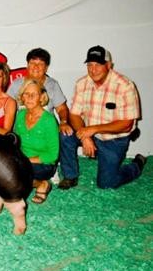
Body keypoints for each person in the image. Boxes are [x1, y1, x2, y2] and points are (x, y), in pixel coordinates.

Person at [58, 45, 146, 189]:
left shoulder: (125, 86)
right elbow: (74, 114)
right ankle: (70, 176)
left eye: (98, 64)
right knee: (65, 134)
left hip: (114, 139)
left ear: (109, 65)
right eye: (90, 65)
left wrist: (92, 130)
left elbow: (127, 124)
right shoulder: (81, 83)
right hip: (88, 132)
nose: (93, 69)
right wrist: (85, 136)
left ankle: (137, 164)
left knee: (106, 183)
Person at [8, 48, 72, 136]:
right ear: (27, 65)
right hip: (22, 132)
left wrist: (64, 122)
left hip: (46, 132)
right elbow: (7, 106)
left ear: (46, 68)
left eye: (41, 64)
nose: (36, 67)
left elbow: (61, 108)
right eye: (32, 63)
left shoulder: (52, 84)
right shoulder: (16, 84)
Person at [14, 79, 59, 203]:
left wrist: (25, 161)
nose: (29, 97)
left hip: (43, 164)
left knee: (16, 174)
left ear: (41, 97)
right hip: (23, 160)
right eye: (25, 94)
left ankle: (42, 184)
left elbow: (53, 155)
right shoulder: (20, 115)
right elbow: (15, 141)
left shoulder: (49, 121)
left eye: (33, 94)